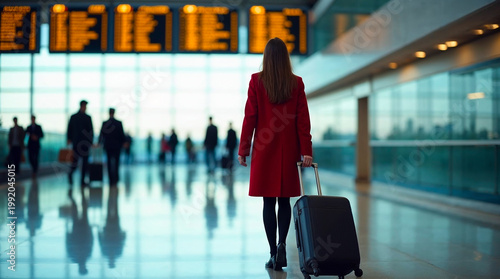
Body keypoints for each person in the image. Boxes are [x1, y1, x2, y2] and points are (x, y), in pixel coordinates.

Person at [237, 37, 313, 271]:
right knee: (285, 200)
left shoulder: (256, 81)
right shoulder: (296, 83)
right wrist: (306, 151)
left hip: (264, 148)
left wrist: (244, 150)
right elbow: (303, 120)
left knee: (268, 202)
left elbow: (250, 117)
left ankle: (273, 253)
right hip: (288, 149)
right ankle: (282, 245)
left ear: (266, 57)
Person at [67, 100, 94, 187]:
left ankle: (77, 178)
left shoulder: (75, 117)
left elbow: (70, 129)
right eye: (85, 106)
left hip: (80, 143)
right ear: (83, 106)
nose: (86, 108)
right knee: (80, 162)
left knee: (80, 162)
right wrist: (91, 142)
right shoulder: (84, 117)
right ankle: (77, 178)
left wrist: (69, 139)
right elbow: (90, 131)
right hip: (81, 143)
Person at [99, 108, 125, 186]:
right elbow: (121, 135)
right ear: (114, 113)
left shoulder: (105, 123)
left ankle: (111, 179)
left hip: (108, 146)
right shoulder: (118, 123)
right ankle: (116, 179)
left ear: (109, 113)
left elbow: (102, 135)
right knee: (117, 163)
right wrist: (123, 143)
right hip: (117, 146)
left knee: (109, 163)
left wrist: (99, 143)